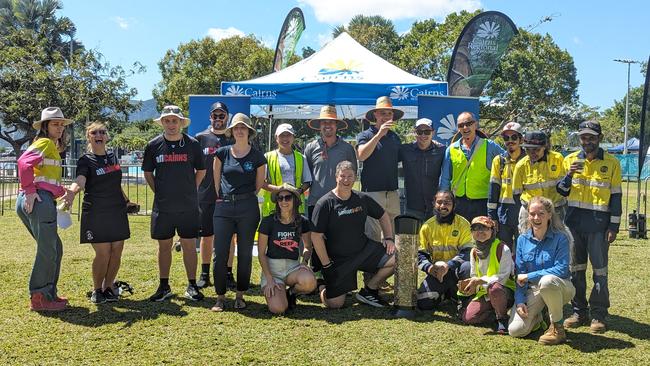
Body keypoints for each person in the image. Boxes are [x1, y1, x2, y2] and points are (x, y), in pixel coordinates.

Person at [557, 120, 622, 334]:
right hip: (574, 225)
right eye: (584, 137)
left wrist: (614, 226)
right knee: (576, 270)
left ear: (599, 139)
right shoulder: (570, 160)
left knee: (600, 272)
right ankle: (578, 312)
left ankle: (598, 314)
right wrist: (569, 175)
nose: (587, 141)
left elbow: (616, 197)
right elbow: (562, 191)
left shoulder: (612, 163)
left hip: (599, 227)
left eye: (591, 137)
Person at [311, 161, 396, 308]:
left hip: (364, 250)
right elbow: (316, 236)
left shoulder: (361, 198)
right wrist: (326, 265)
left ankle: (369, 290)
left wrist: (388, 238)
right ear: (336, 177)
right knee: (335, 304)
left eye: (350, 176)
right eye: (342, 176)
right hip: (338, 260)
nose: (346, 180)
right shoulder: (325, 203)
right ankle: (321, 284)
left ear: (355, 178)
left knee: (398, 258)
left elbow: (383, 215)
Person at [142, 105, 206, 302]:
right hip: (163, 207)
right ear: (162, 122)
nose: (171, 124)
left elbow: (201, 171)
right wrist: (160, 192)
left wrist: (190, 190)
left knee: (188, 245)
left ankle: (192, 284)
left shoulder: (193, 144)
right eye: (167, 120)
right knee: (164, 246)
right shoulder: (153, 145)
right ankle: (164, 285)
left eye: (175, 121)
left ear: (181, 123)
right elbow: (147, 173)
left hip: (188, 205)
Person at [16, 107, 75, 312]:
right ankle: (40, 296)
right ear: (45, 126)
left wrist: (61, 190)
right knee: (48, 249)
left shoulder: (49, 146)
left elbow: (44, 178)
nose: (59, 128)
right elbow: (23, 163)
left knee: (54, 248)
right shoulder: (45, 143)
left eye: (61, 124)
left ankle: (48, 294)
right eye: (55, 124)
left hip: (41, 199)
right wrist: (30, 191)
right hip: (39, 201)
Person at [68, 122, 130, 304]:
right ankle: (97, 290)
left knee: (117, 251)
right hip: (96, 211)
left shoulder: (113, 157)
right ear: (89, 137)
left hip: (117, 210)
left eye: (102, 132)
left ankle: (109, 287)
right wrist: (72, 191)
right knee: (103, 252)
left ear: (106, 136)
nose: (99, 135)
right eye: (94, 132)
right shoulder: (85, 160)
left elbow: (115, 183)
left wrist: (127, 201)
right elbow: (80, 180)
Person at [211, 113, 266, 312]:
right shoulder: (222, 153)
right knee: (220, 253)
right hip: (223, 207)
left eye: (243, 127)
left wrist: (244, 198)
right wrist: (222, 198)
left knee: (244, 253)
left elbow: (259, 184)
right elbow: (216, 180)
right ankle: (219, 297)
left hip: (247, 208)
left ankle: (240, 295)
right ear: (232, 131)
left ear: (249, 131)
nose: (239, 130)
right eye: (236, 128)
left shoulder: (257, 156)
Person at [508, 196, 575, 345]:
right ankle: (538, 318)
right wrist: (519, 301)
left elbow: (562, 269)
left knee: (547, 281)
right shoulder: (522, 240)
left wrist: (530, 275)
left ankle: (558, 329)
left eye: (541, 214)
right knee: (515, 330)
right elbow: (520, 275)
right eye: (532, 214)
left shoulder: (561, 238)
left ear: (549, 215)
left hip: (560, 286)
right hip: (533, 289)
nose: (536, 218)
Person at [304, 105, 356, 276]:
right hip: (316, 202)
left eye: (331, 123)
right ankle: (317, 277)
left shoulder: (347, 148)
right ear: (319, 126)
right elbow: (307, 175)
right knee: (316, 239)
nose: (327, 125)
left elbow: (353, 173)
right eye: (324, 122)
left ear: (336, 126)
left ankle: (336, 275)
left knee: (337, 240)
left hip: (338, 202)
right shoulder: (311, 147)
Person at [195, 102, 236, 290]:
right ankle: (204, 273)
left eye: (222, 116)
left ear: (227, 116)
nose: (218, 119)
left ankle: (228, 273)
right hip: (206, 195)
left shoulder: (234, 138)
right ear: (210, 117)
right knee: (207, 235)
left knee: (230, 237)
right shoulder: (200, 138)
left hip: (229, 195)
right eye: (215, 116)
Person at [258, 183, 316, 314]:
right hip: (273, 270)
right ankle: (279, 293)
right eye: (280, 198)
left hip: (293, 268)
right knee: (278, 309)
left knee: (310, 282)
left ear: (295, 200)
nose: (284, 201)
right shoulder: (268, 221)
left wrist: (304, 262)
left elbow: (307, 246)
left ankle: (291, 292)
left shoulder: (303, 221)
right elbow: (261, 254)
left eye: (288, 197)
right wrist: (269, 279)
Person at [440, 112, 505, 222]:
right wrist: (444, 202)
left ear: (475, 124)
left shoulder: (490, 146)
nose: (465, 128)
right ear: (458, 128)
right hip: (458, 202)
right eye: (461, 125)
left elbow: (508, 160)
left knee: (482, 237)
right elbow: (445, 179)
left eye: (468, 123)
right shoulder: (451, 149)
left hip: (482, 203)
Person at [356, 96, 403, 242]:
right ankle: (373, 264)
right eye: (383, 113)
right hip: (373, 192)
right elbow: (361, 155)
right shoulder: (365, 134)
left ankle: (392, 263)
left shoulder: (395, 137)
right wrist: (379, 135)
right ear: (375, 115)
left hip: (393, 193)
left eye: (389, 113)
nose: (386, 117)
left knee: (394, 232)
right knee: (373, 233)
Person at [416, 190, 472, 311]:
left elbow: (468, 252)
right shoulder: (427, 226)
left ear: (454, 205)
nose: (443, 206)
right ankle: (445, 294)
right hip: (437, 273)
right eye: (439, 202)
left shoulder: (463, 224)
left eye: (447, 203)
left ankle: (464, 299)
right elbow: (420, 254)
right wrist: (429, 268)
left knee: (468, 267)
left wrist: (448, 265)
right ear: (434, 204)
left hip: (457, 270)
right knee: (423, 303)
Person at [458, 216, 515, 334]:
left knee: (495, 289)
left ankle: (502, 318)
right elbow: (474, 274)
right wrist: (471, 286)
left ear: (492, 231)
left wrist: (479, 281)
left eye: (485, 228)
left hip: (504, 291)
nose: (480, 232)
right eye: (475, 228)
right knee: (469, 318)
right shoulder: (474, 251)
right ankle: (494, 313)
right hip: (484, 292)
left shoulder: (502, 248)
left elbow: (503, 278)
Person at [512, 130, 567, 232]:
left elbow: (564, 186)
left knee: (558, 240)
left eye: (536, 150)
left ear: (544, 147)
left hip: (556, 209)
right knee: (528, 240)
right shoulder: (521, 166)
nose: (532, 153)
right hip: (530, 211)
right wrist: (530, 211)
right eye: (528, 150)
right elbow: (516, 194)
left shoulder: (557, 159)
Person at [398, 118, 445, 222]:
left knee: (434, 238)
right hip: (412, 206)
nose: (423, 135)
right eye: (419, 132)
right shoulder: (405, 149)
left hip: (435, 206)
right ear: (415, 133)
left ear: (433, 132)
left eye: (427, 132)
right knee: (412, 237)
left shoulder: (442, 150)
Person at [487, 122, 525, 250]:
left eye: (514, 137)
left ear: (521, 139)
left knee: (524, 250)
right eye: (506, 138)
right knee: (503, 251)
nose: (510, 141)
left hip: (524, 212)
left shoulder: (529, 160)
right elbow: (493, 189)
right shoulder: (499, 160)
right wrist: (492, 216)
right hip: (503, 214)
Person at [262, 123, 312, 216]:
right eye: (282, 135)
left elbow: (307, 181)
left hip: (295, 207)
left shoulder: (301, 158)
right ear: (276, 138)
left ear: (293, 137)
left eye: (288, 135)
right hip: (273, 207)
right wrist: (278, 189)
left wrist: (298, 192)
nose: (285, 139)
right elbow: (261, 183)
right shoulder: (267, 157)